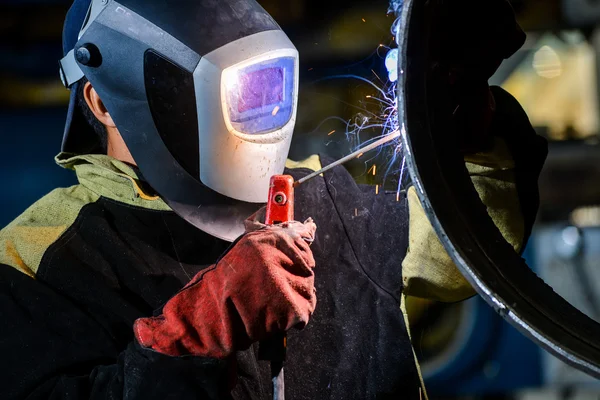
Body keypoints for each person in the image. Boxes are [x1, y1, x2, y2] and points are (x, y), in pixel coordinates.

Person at [0, 0, 546, 399]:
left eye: (263, 91)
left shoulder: (320, 194)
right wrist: (189, 338)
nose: (254, 113)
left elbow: (468, 258)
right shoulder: (36, 257)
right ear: (103, 101)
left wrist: (466, 131)